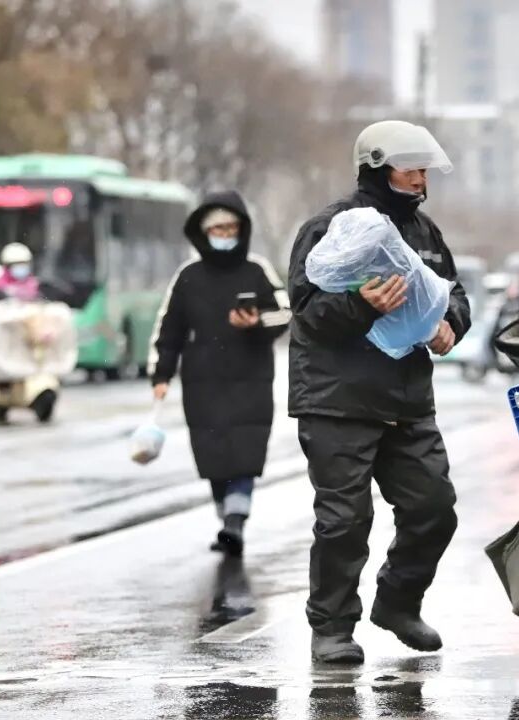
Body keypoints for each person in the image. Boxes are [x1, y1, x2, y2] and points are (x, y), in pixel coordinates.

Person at [288, 120, 471, 665]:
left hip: (407, 401)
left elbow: (452, 292)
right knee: (345, 521)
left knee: (434, 508)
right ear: (376, 167)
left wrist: (451, 325)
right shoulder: (330, 229)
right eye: (410, 169)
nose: (420, 181)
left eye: (424, 171)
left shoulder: (425, 234)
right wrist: (364, 305)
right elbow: (308, 313)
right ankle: (332, 628)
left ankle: (397, 602)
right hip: (336, 399)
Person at [148, 191, 291, 557]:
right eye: (217, 228)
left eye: (230, 226)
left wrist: (256, 321)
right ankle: (226, 514)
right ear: (202, 232)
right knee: (212, 454)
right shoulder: (188, 277)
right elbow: (169, 330)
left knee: (244, 450)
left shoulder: (257, 270)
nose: (224, 233)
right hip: (202, 382)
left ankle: (235, 521)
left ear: (242, 229)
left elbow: (285, 313)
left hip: (251, 380)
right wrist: (161, 374)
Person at [0, 242, 39, 310]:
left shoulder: (33, 283)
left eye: (23, 263)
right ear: (8, 266)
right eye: (17, 264)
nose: (21, 266)